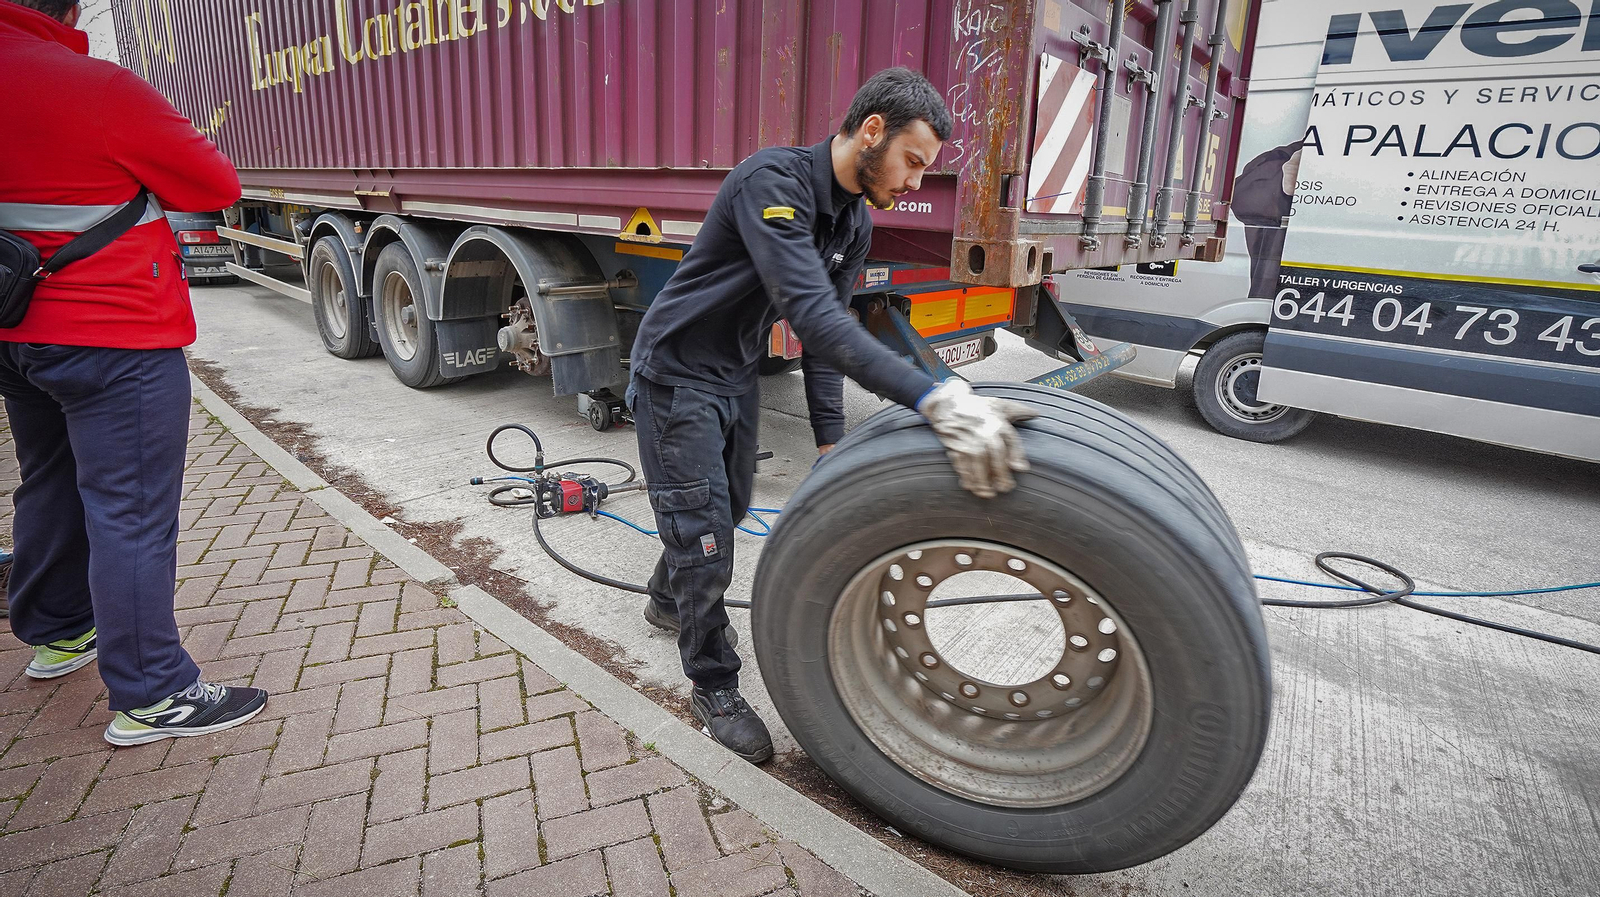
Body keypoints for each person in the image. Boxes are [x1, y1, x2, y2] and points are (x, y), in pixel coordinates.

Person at [628, 67, 1034, 763]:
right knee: (706, 539)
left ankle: (668, 597)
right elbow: (812, 317)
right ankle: (713, 682)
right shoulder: (773, 184)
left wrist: (829, 441)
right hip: (675, 376)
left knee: (727, 508)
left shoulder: (853, 222)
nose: (914, 183)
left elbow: (826, 341)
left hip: (734, 374)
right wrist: (934, 397)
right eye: (913, 161)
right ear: (871, 130)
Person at [0, 0, 268, 745]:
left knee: (48, 479)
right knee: (131, 508)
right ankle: (154, 691)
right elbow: (214, 186)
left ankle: (58, 632)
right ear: (69, 5)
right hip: (114, 334)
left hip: (16, 329)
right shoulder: (93, 85)